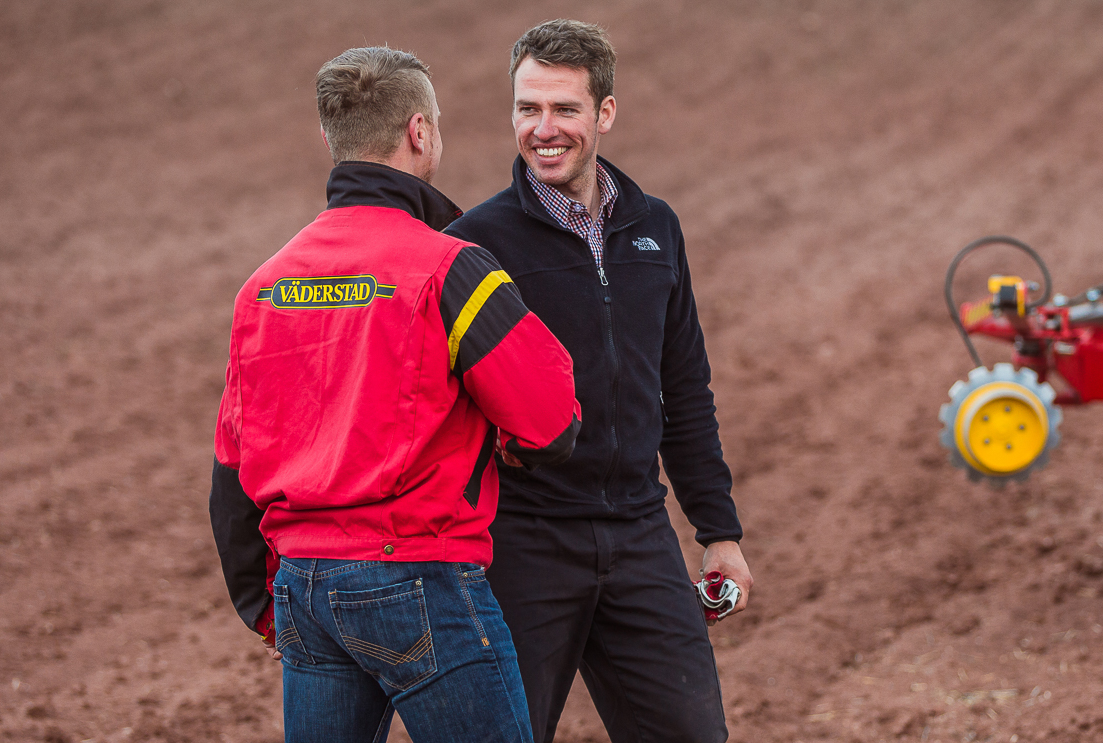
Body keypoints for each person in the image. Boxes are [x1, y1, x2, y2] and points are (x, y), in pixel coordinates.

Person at [207, 45, 580, 743]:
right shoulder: (451, 269)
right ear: (419, 131)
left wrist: (264, 606)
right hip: (419, 577)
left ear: (332, 139)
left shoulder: (262, 287)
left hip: (304, 590)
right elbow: (553, 421)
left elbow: (232, 469)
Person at [445, 19, 752, 743]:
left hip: (639, 531)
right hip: (523, 540)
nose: (543, 129)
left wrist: (719, 531)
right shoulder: (474, 244)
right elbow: (438, 407)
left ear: (605, 113)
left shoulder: (655, 229)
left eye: (564, 109)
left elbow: (683, 386)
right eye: (527, 108)